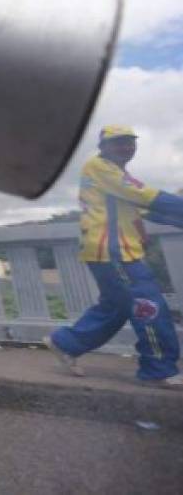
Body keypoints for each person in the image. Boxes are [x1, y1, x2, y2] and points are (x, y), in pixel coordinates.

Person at [45, 125, 183, 388]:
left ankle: (66, 343)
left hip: (109, 250)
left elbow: (143, 209)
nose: (126, 147)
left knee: (117, 305)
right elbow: (144, 195)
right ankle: (158, 369)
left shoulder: (115, 174)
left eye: (130, 142)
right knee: (148, 305)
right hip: (113, 251)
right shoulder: (100, 167)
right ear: (103, 147)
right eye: (118, 142)